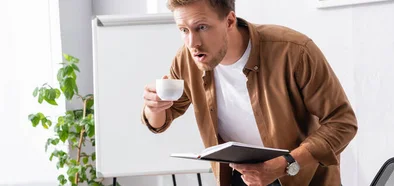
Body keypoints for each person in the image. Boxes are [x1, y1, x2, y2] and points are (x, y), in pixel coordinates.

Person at [141, 0, 358, 185]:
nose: (192, 43)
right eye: (183, 30)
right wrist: (154, 108)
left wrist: (286, 164)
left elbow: (342, 122)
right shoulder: (187, 59)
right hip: (239, 176)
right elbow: (162, 119)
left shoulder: (293, 51)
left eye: (202, 28)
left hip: (298, 175)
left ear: (229, 21)